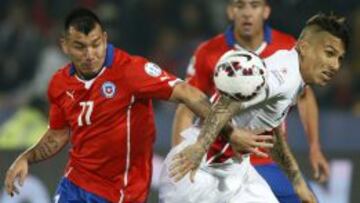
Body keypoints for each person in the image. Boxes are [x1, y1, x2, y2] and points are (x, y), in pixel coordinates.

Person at [3, 8, 241, 203]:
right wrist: (27, 157)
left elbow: (188, 94)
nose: (90, 54)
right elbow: (58, 134)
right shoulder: (59, 83)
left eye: (95, 44)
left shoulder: (130, 71)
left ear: (105, 39)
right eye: (80, 47)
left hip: (120, 192)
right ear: (65, 46)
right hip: (75, 183)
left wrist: (230, 132)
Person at [161, 13, 348, 203]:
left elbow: (271, 133)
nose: (334, 65)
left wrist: (298, 182)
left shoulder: (292, 72)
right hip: (201, 171)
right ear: (304, 47)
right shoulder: (282, 78)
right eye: (329, 53)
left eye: (340, 59)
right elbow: (226, 103)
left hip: (237, 171)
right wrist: (200, 147)